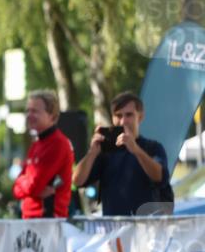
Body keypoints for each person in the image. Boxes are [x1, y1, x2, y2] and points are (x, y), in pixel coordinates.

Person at [72, 91, 170, 216]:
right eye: (118, 115)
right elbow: (77, 181)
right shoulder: (105, 151)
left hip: (146, 227)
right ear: (112, 118)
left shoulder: (153, 147)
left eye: (129, 115)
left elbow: (160, 177)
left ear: (140, 117)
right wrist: (92, 152)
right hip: (115, 229)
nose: (123, 121)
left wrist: (136, 150)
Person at [11, 90, 73, 219]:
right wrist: (24, 184)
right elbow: (17, 186)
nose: (29, 115)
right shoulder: (37, 143)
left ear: (52, 115)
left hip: (47, 220)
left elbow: (33, 185)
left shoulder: (57, 143)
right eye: (28, 110)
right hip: (32, 219)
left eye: (35, 111)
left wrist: (24, 185)